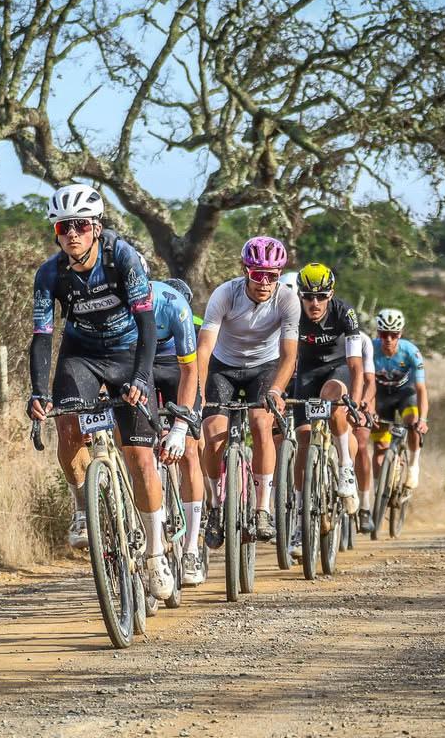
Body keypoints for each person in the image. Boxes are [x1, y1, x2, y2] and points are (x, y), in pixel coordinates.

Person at [28, 184, 175, 601]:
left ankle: (155, 553)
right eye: (62, 226)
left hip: (129, 351)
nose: (71, 233)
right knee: (68, 426)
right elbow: (42, 336)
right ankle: (82, 507)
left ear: (95, 227)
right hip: (83, 355)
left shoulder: (122, 256)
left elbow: (147, 324)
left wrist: (143, 379)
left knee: (141, 457)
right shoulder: (50, 274)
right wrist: (39, 392)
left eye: (79, 226)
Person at [194, 236, 299, 543]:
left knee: (261, 423)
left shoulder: (287, 300)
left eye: (272, 276)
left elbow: (289, 355)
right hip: (223, 367)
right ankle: (215, 505)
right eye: (257, 275)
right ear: (245, 271)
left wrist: (277, 390)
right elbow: (203, 348)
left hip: (264, 368)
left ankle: (263, 509)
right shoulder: (225, 294)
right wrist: (198, 392)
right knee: (212, 434)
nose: (264, 283)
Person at [289, 263, 364, 558]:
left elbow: (356, 364)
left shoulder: (345, 313)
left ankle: (345, 468)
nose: (315, 303)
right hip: (305, 374)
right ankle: (298, 520)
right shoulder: (292, 313)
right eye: (308, 297)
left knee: (333, 406)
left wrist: (354, 400)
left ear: (331, 294)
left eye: (321, 297)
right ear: (300, 296)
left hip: (336, 370)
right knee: (303, 442)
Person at [150, 278, 205, 585]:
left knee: (190, 452)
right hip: (143, 366)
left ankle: (192, 548)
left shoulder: (185, 318)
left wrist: (182, 428)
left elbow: (196, 368)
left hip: (178, 368)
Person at [371, 308, 430, 491]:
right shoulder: (370, 349)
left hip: (405, 394)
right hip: (379, 395)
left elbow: (421, 388)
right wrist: (370, 411)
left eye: (393, 334)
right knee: (380, 446)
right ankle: (379, 488)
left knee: (412, 423)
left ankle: (413, 466)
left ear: (400, 334)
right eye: (384, 334)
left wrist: (423, 420)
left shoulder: (411, 352)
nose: (388, 339)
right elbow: (366, 384)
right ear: (378, 333)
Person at [353, 321, 379, 533]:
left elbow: (370, 381)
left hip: (359, 396)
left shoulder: (362, 340)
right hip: (329, 392)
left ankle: (364, 506)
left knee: (361, 445)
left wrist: (365, 406)